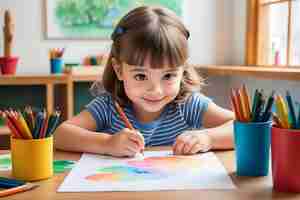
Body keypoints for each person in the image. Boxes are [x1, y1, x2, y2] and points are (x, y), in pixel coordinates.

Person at [54, 6, 234, 157]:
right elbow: (61, 135)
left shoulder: (189, 104)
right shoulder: (108, 106)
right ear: (119, 70)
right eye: (141, 76)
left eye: (168, 76)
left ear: (182, 70)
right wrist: (107, 143)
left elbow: (244, 126)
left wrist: (208, 138)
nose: (155, 90)